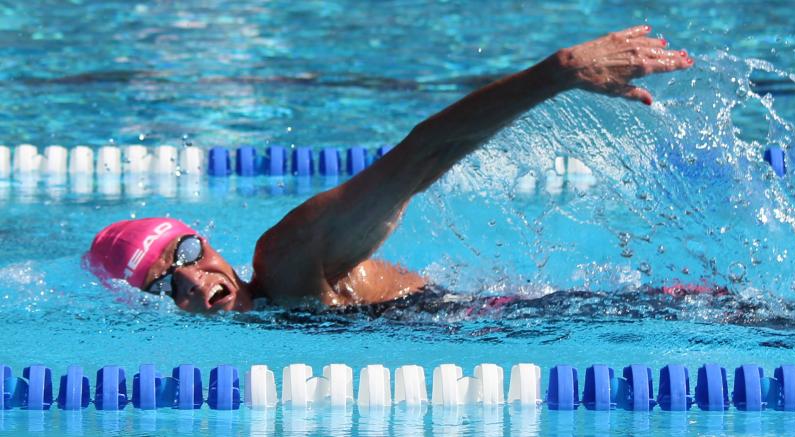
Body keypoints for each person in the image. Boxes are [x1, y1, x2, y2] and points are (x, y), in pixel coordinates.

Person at [84, 25, 694, 313]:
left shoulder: (288, 259)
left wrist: (556, 73)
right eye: (162, 285)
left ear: (206, 243)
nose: (191, 281)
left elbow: (418, 156)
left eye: (185, 255)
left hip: (561, 317)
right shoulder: (274, 315)